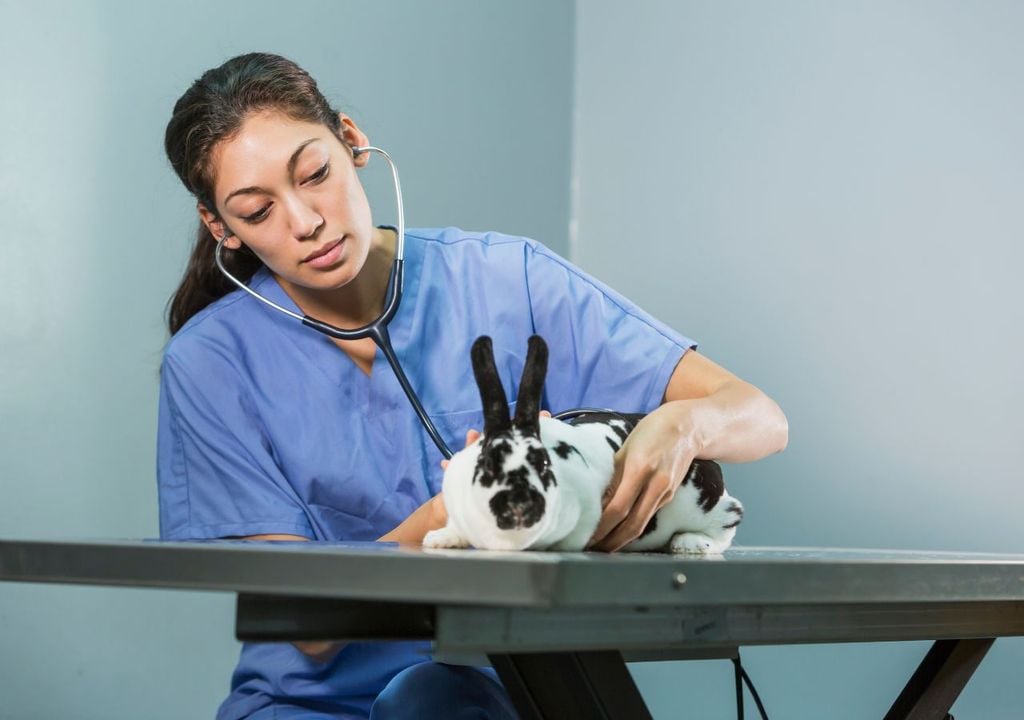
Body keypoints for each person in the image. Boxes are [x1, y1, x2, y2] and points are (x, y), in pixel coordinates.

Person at [158, 52, 788, 720]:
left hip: (499, 696)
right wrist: (458, 510)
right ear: (221, 227)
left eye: (315, 174)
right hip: (309, 708)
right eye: (257, 212)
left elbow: (760, 417)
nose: (305, 221)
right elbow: (305, 625)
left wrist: (680, 427)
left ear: (352, 140)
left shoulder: (504, 279)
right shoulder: (210, 363)